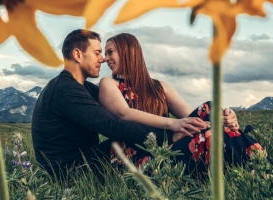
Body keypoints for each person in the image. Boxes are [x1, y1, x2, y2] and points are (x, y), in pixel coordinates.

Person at [31, 29, 236, 177]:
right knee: (121, 141)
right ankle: (190, 159)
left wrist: (216, 117)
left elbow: (122, 112)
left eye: (106, 53)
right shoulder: (64, 89)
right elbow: (112, 123)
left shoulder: (85, 89)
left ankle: (226, 141)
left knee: (208, 110)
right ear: (77, 54)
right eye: (97, 53)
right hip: (71, 171)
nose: (102, 59)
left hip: (85, 160)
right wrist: (169, 135)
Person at [99, 33, 264, 175]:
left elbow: (193, 117)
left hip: (169, 149)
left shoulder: (159, 87)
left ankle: (257, 168)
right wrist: (172, 124)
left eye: (110, 52)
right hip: (141, 159)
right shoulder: (109, 84)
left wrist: (225, 118)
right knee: (208, 135)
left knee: (210, 108)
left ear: (128, 51)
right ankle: (260, 166)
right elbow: (123, 113)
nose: (106, 59)